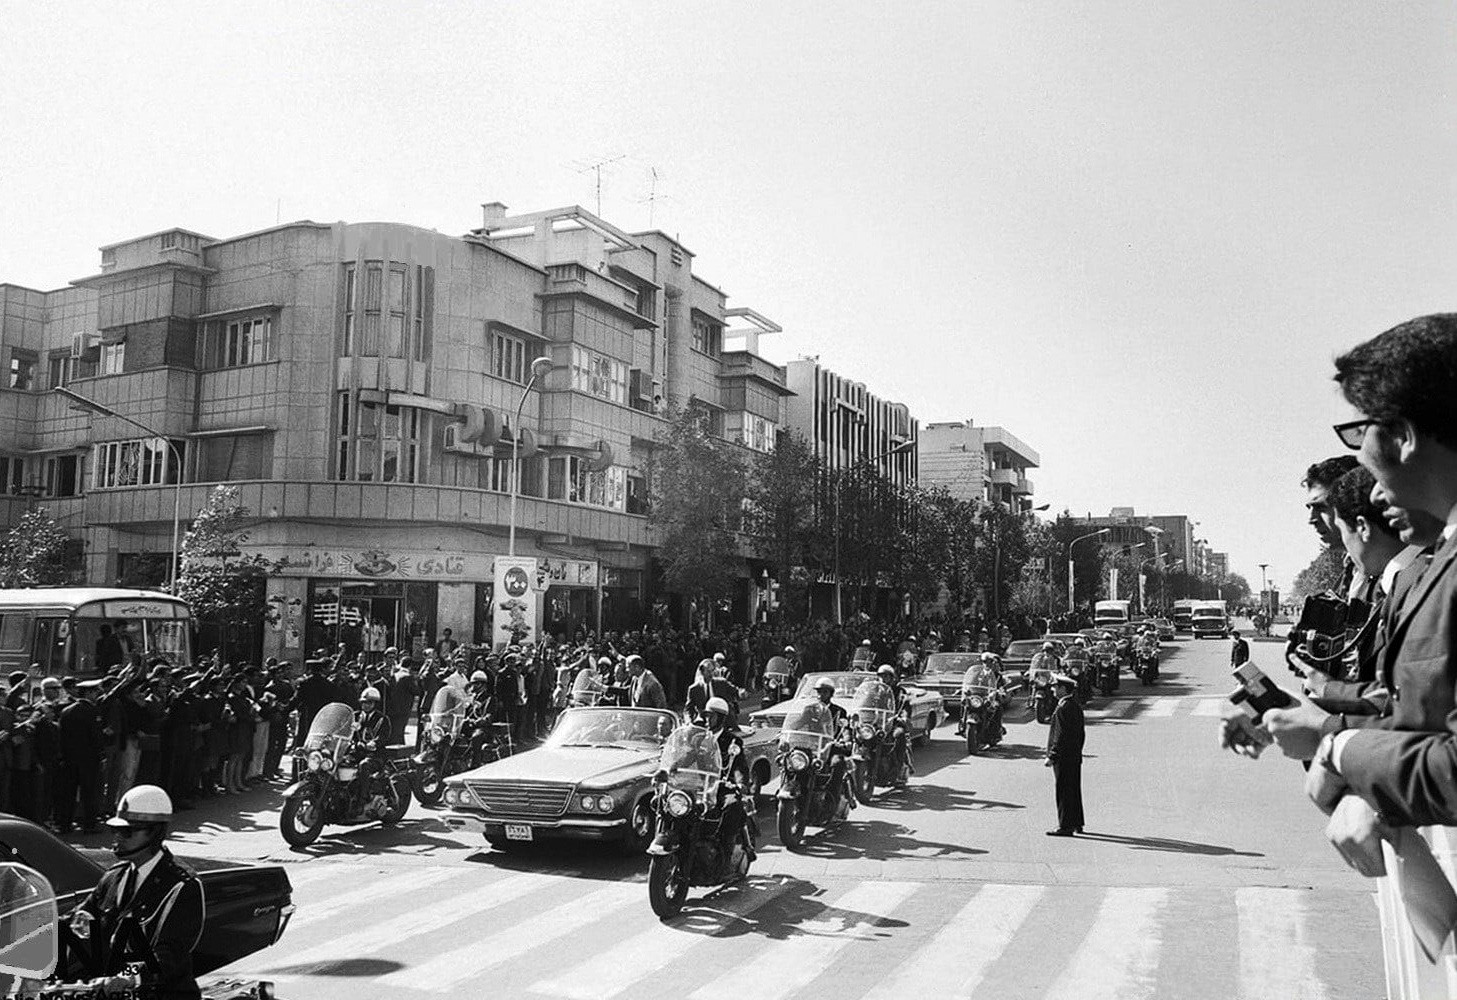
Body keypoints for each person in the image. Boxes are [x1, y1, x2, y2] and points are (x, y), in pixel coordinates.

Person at [68, 784, 204, 999]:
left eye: (127, 831)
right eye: (115, 830)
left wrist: (127, 977)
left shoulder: (181, 886)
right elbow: (80, 917)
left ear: (154, 833)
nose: (117, 838)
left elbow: (170, 954)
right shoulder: (114, 877)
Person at [702, 696, 755, 863]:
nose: (707, 720)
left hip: (724, 786)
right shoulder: (699, 738)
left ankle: (725, 852)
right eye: (706, 716)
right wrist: (668, 770)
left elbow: (739, 765)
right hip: (700, 786)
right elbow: (686, 757)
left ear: (721, 718)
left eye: (711, 716)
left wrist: (740, 783)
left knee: (732, 806)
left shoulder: (732, 741)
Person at [55, 679, 104, 834]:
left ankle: (65, 823)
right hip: (88, 758)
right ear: (88, 693)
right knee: (89, 792)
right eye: (95, 691)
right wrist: (100, 754)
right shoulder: (92, 711)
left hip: (69, 757)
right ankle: (89, 824)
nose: (97, 695)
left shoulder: (66, 711)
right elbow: (96, 736)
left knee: (68, 792)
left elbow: (61, 736)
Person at [1045, 673, 1085, 836]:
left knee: (1064, 791)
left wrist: (1052, 755)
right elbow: (1080, 734)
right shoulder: (1074, 705)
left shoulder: (1063, 707)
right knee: (1073, 789)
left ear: (1063, 688)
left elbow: (1060, 735)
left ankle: (1066, 825)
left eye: (1055, 687)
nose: (1053, 690)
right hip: (1073, 755)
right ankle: (1077, 822)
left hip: (1064, 757)